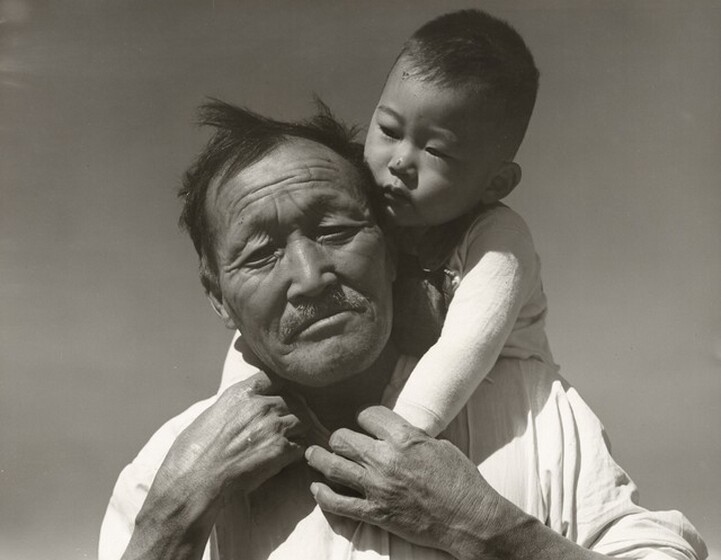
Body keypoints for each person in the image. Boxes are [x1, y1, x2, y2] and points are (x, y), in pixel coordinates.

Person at [99, 101, 706, 560]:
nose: (310, 277)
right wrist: (172, 521)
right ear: (219, 301)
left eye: (335, 231)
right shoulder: (164, 474)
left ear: (391, 252)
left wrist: (487, 529)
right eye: (260, 256)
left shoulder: (529, 407)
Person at [222, 9, 550, 437]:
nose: (399, 162)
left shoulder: (499, 241)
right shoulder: (368, 203)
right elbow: (259, 329)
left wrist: (389, 448)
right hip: (402, 396)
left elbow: (463, 350)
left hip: (494, 406)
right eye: (390, 130)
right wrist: (230, 419)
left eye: (437, 153)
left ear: (497, 182)